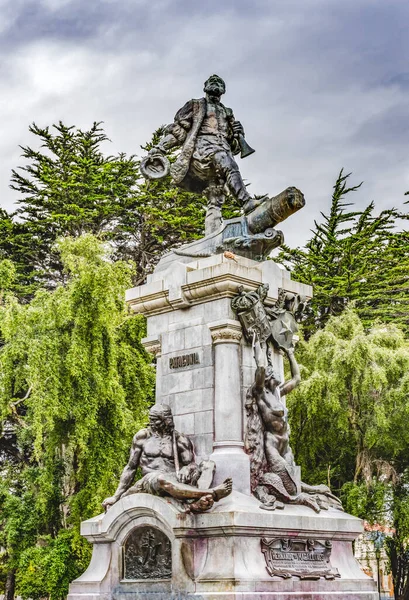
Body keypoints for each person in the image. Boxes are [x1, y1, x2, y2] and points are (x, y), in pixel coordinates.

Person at [146, 74, 254, 234]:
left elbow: (234, 147)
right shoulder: (195, 105)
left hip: (222, 150)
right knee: (229, 164)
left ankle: (213, 236)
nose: (216, 82)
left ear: (224, 90)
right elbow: (180, 131)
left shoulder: (227, 112)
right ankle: (247, 203)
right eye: (212, 81)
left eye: (219, 82)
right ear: (205, 86)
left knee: (215, 197)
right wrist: (161, 147)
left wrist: (236, 134)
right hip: (203, 150)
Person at [247, 335, 342, 512]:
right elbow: (260, 367)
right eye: (271, 371)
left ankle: (308, 493)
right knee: (288, 482)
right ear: (267, 377)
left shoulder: (278, 393)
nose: (275, 372)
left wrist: (290, 353)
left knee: (292, 480)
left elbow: (297, 379)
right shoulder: (260, 393)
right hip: (272, 443)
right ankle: (299, 497)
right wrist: (256, 345)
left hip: (286, 445)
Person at [102, 404, 232, 513]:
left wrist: (186, 469)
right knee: (161, 479)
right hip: (151, 481)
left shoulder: (179, 439)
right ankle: (209, 493)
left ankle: (196, 502)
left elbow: (191, 465)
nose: (151, 423)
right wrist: (116, 496)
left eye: (155, 420)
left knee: (208, 465)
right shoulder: (143, 437)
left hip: (174, 479)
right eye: (151, 419)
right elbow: (130, 468)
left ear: (166, 420)